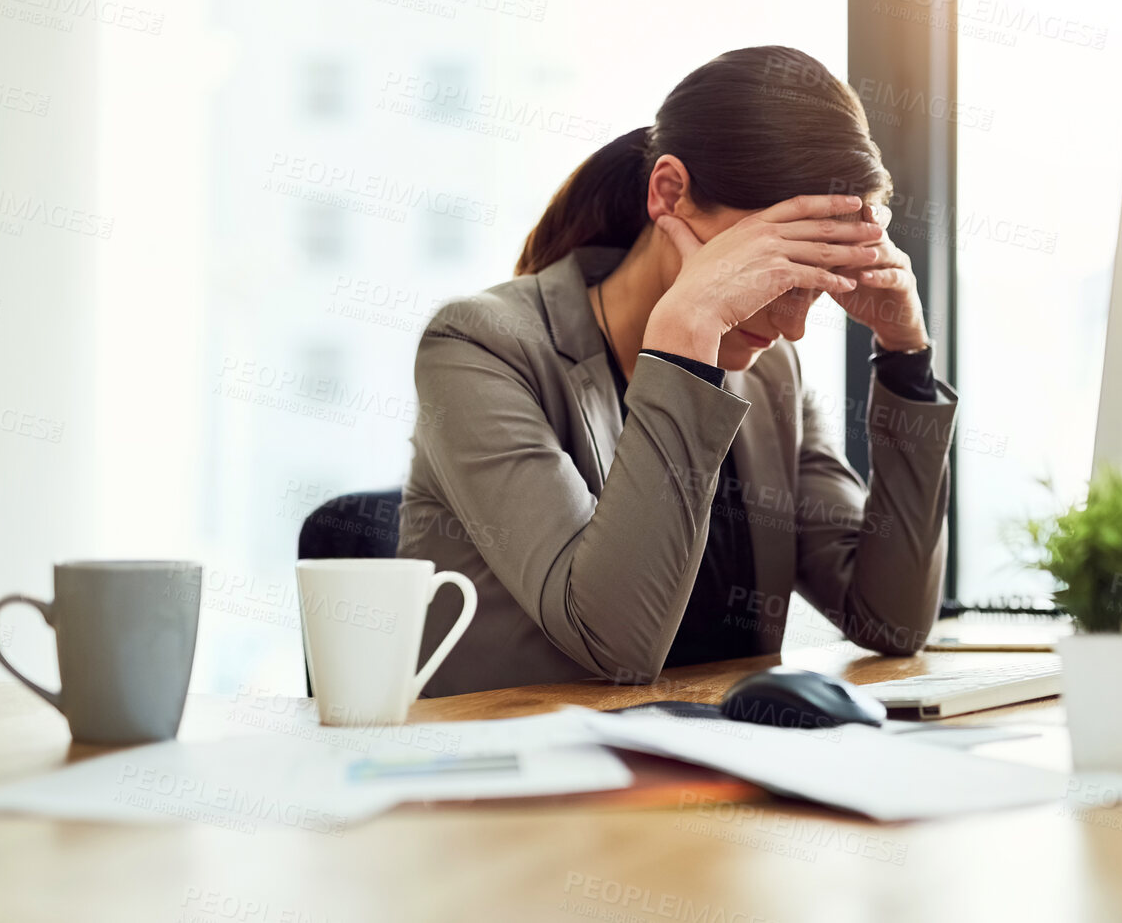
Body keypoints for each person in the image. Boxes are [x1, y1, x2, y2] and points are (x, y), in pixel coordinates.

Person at [397, 45, 957, 697]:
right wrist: (683, 337)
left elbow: (889, 621)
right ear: (669, 193)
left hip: (714, 773)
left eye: (813, 282)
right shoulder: (479, 346)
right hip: (531, 780)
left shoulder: (770, 371)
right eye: (769, 270)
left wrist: (904, 355)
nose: (793, 328)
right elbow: (614, 642)